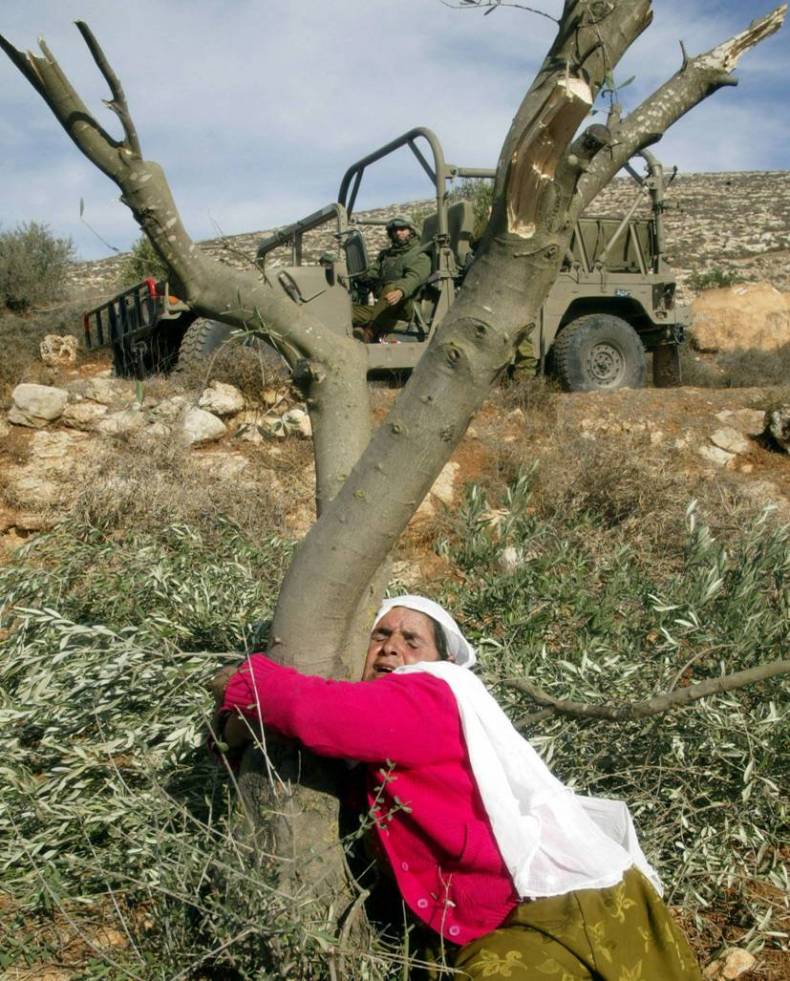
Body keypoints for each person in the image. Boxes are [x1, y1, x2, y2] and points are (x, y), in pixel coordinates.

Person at [214, 596, 702, 979]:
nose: (390, 648)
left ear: (443, 659)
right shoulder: (374, 744)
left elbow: (313, 712)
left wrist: (240, 681)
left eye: (411, 639)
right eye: (379, 634)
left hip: (575, 903)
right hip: (509, 916)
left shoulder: (430, 692)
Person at [352, 216, 431, 343]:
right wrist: (364, 278)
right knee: (350, 312)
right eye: (394, 230)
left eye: (402, 229)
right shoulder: (386, 255)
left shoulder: (419, 254)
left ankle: (370, 331)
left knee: (391, 287)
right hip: (385, 304)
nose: (398, 232)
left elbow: (414, 278)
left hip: (407, 305)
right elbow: (374, 272)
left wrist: (400, 291)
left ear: (411, 231)